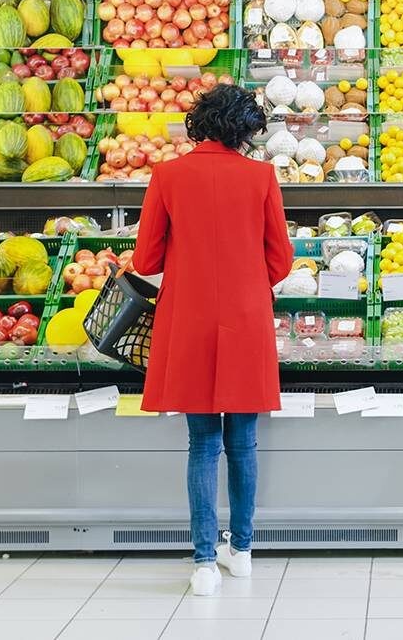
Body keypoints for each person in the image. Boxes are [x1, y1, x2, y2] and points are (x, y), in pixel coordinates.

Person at [132, 84, 294, 597]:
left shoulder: (168, 176)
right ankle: (241, 550)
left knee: (201, 444)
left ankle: (204, 561)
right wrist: (247, 278)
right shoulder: (262, 177)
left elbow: (146, 261)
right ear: (246, 129)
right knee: (243, 443)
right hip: (245, 318)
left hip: (189, 318)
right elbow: (282, 261)